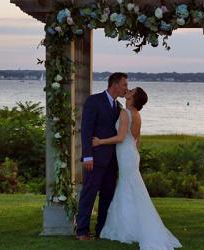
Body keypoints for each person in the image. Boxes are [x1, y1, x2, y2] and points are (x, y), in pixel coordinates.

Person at [93, 87, 182, 250]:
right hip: (131, 153)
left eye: (131, 91)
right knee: (130, 187)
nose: (128, 90)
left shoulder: (125, 113)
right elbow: (136, 139)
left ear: (133, 98)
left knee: (127, 187)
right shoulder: (137, 115)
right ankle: (132, 224)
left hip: (126, 153)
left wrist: (100, 142)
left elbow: (120, 138)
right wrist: (132, 154)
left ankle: (127, 227)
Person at [76, 72, 128, 240]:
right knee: (89, 194)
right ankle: (82, 231)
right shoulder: (94, 101)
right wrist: (87, 156)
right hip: (95, 159)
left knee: (107, 195)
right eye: (124, 85)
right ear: (115, 85)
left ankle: (101, 230)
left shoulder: (119, 107)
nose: (126, 88)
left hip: (112, 161)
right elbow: (86, 130)